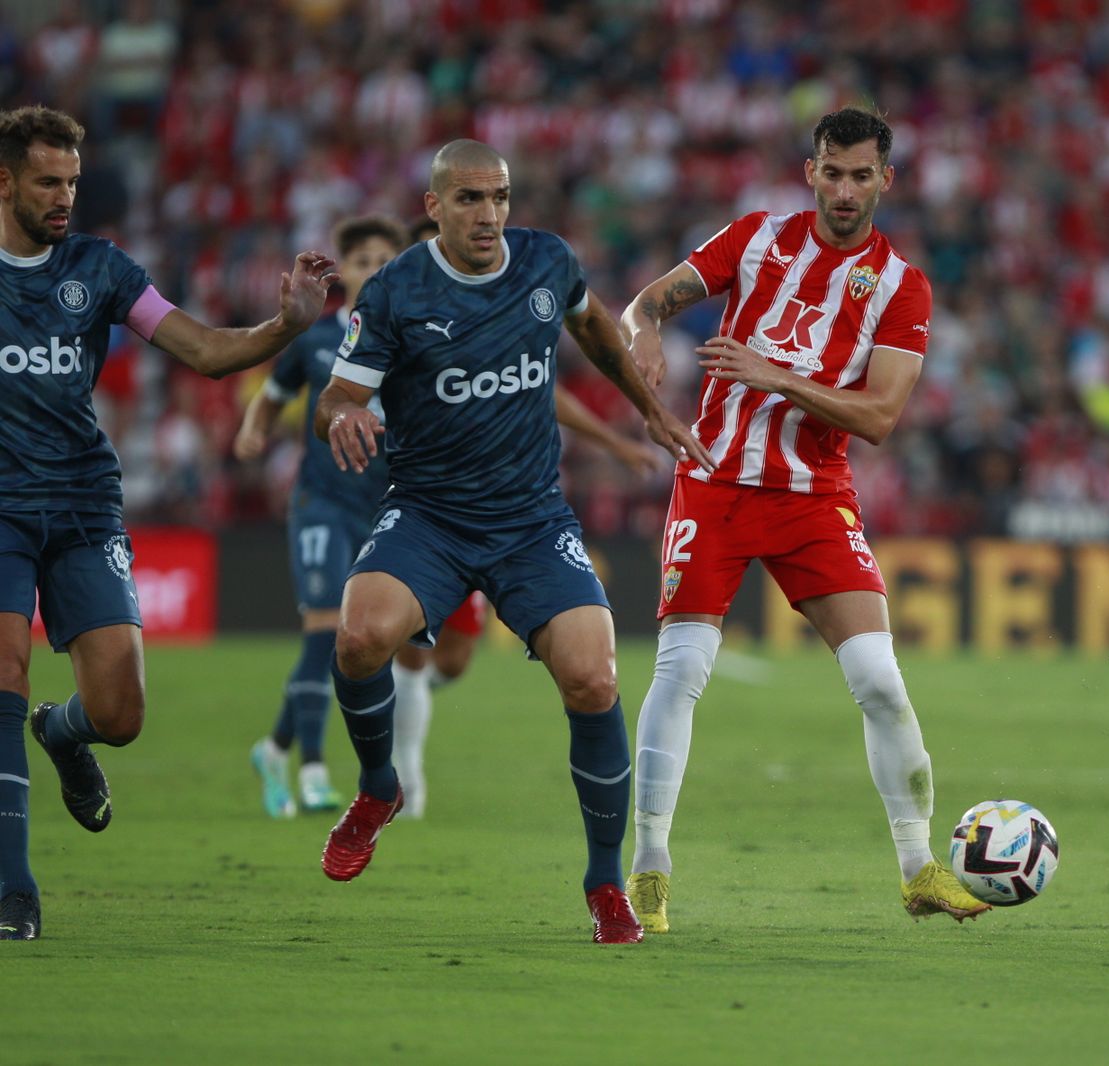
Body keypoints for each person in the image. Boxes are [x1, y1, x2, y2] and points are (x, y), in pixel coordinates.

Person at [313, 139, 709, 944]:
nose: (489, 213)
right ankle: (379, 786)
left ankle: (605, 883)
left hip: (531, 518)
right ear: (434, 207)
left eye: (498, 196)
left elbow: (596, 329)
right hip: (429, 512)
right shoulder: (396, 291)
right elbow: (337, 395)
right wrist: (346, 415)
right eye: (469, 199)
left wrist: (647, 409)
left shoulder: (546, 261)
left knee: (595, 678)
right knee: (358, 637)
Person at [618, 107, 991, 932]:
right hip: (713, 484)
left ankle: (918, 867)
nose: (847, 189)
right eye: (834, 171)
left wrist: (775, 375)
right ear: (812, 171)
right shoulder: (754, 239)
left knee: (882, 685)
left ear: (886, 180)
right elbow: (642, 307)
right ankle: (648, 867)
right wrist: (642, 338)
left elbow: (881, 416)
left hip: (814, 497)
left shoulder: (902, 285)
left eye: (864, 175)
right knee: (680, 672)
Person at [0, 105, 337, 941]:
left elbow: (205, 352)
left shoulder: (100, 267)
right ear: (3, 181)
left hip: (81, 500)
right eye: (47, 181)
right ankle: (14, 888)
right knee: (4, 669)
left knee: (120, 713)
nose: (64, 197)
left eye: (72, 182)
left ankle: (63, 733)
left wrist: (286, 325)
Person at [385, 216, 663, 821]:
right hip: (425, 513)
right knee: (403, 647)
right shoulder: (398, 317)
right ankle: (403, 777)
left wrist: (615, 444)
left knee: (454, 660)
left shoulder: (500, 306)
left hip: (506, 518)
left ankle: (405, 703)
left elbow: (542, 392)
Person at [234, 215, 407, 819]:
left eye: (385, 260)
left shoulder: (413, 339)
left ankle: (273, 748)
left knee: (345, 639)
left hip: (382, 508)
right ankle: (311, 768)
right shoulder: (313, 341)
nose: (373, 270)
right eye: (361, 261)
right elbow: (273, 397)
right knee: (325, 627)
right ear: (344, 271)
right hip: (320, 502)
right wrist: (252, 431)